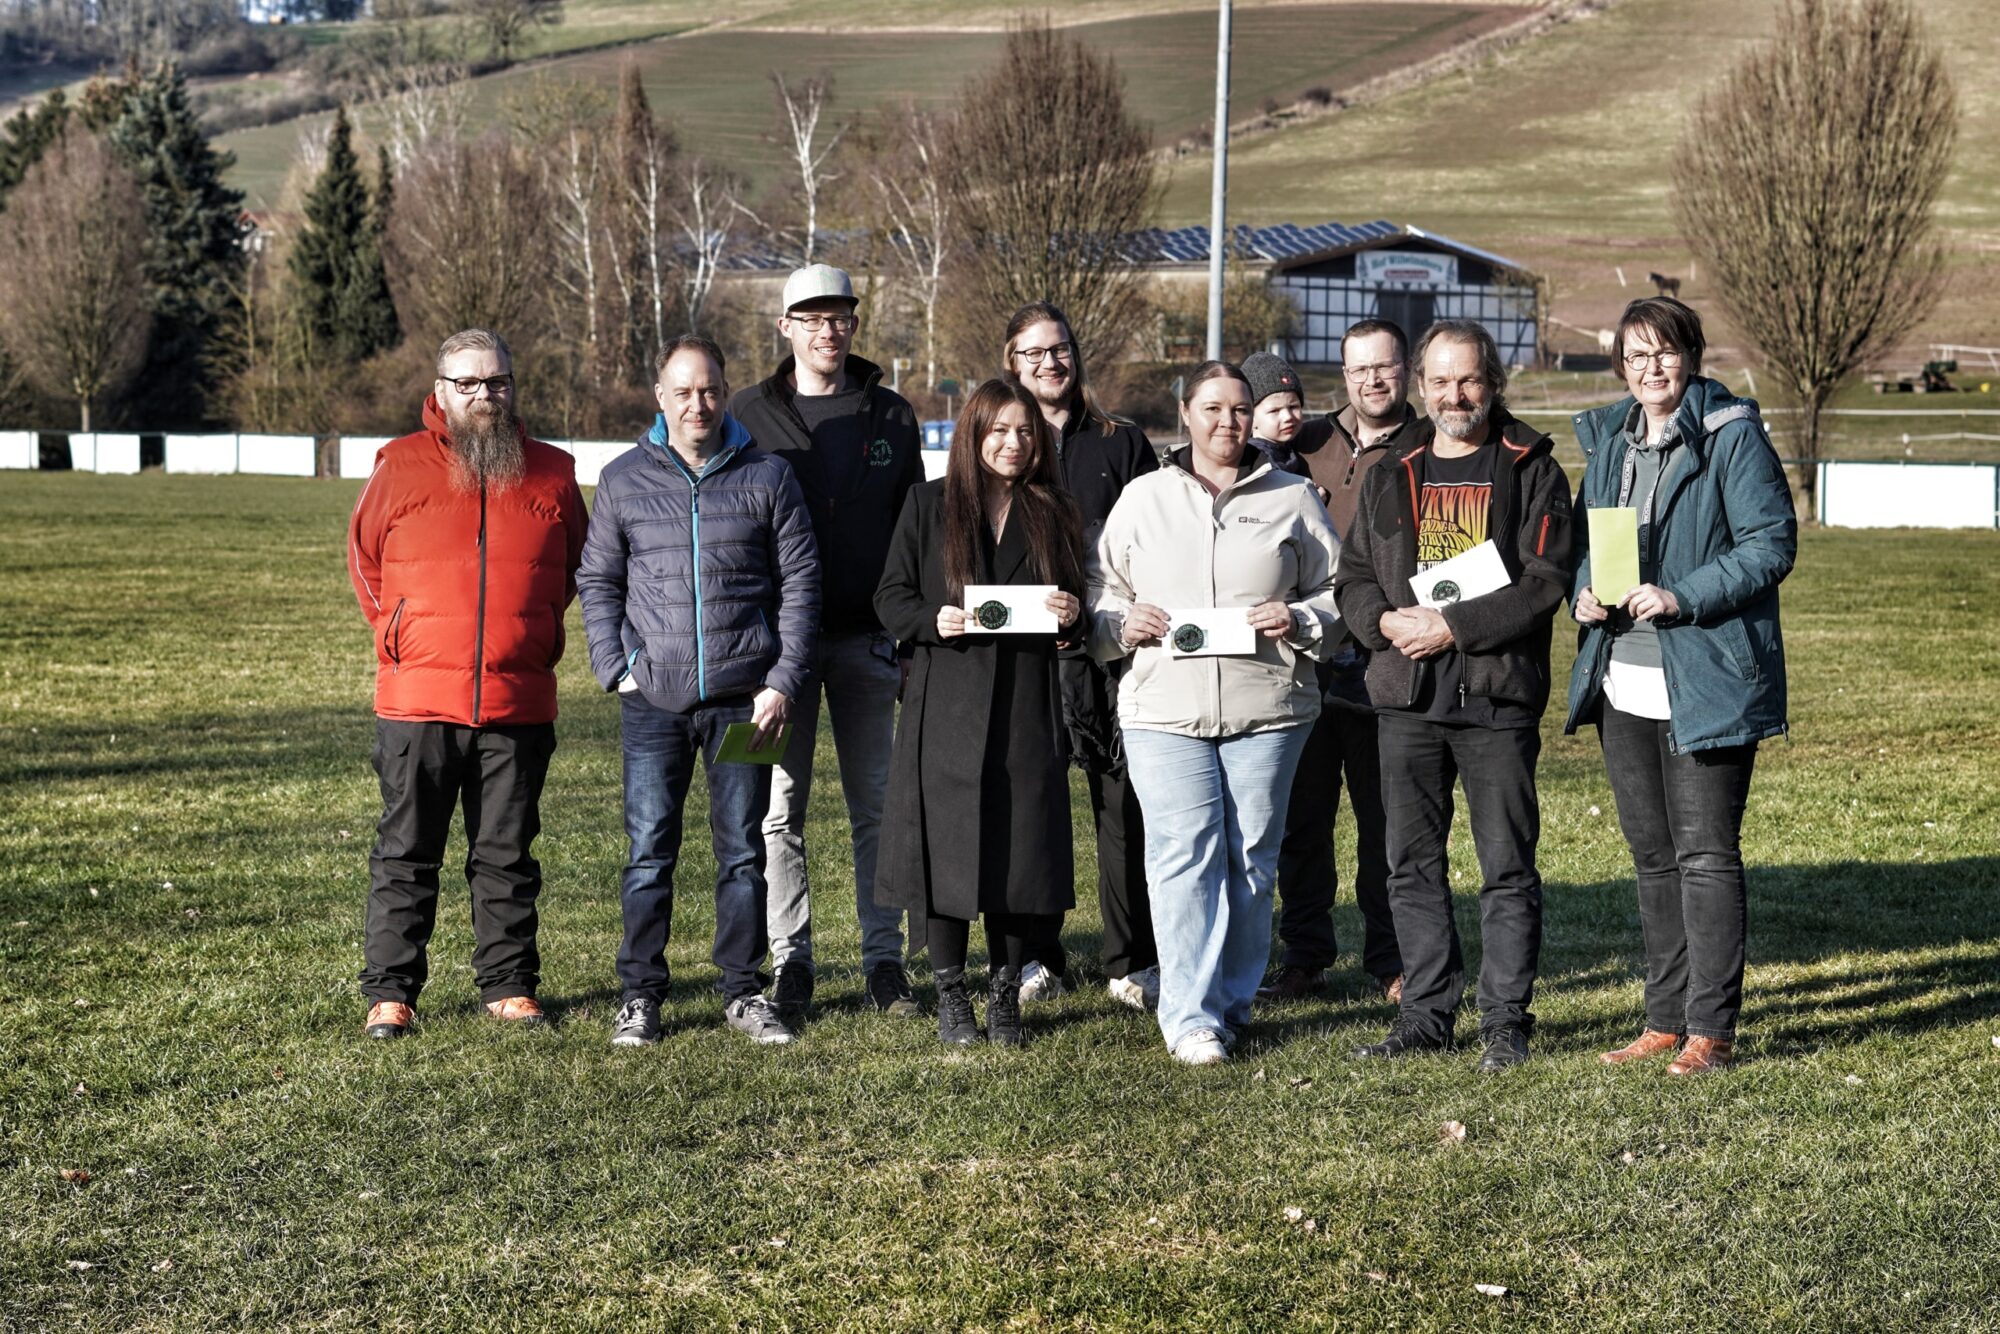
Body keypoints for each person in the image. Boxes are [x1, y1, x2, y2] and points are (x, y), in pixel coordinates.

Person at [1564, 297, 1795, 1076]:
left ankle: (1712, 1030)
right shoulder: (1611, 440)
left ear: (1691, 355)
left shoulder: (1732, 436)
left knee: (1704, 855)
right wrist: (1587, 594)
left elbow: (1770, 543)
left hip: (1706, 676)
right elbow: (1591, 544)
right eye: (1634, 356)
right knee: (1653, 856)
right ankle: (1664, 1019)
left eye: (1663, 352)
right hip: (1623, 676)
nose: (1649, 368)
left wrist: (1681, 595)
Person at [1335, 319, 1573, 1073]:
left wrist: (1454, 627)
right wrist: (1381, 621)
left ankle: (1505, 1021)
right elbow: (1353, 575)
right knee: (1410, 865)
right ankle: (1426, 1015)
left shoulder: (1531, 466)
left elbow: (1545, 583)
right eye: (1439, 381)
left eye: (1467, 379)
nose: (1453, 395)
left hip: (1495, 698)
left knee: (1506, 866)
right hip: (1405, 698)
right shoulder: (1391, 467)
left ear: (1492, 381)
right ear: (1422, 387)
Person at [1088, 362, 1342, 1066]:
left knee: (1252, 860)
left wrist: (1298, 616)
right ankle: (1191, 1017)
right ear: (1184, 414)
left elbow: (1338, 594)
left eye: (1238, 410)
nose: (1226, 422)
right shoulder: (1144, 498)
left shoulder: (1292, 497)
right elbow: (1100, 593)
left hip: (1271, 708)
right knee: (1182, 857)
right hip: (1162, 708)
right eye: (1211, 408)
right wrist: (1120, 622)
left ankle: (1233, 999)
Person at [579, 336, 821, 1048]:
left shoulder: (769, 477)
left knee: (743, 851)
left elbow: (802, 586)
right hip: (652, 701)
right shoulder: (624, 480)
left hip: (744, 702)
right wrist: (618, 666)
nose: (698, 404)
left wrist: (780, 681)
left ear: (726, 393)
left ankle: (743, 992)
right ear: (660, 397)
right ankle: (640, 997)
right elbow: (598, 581)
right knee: (650, 851)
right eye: (683, 392)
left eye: (710, 390)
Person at [347, 328, 587, 1039]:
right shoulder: (399, 465)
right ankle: (391, 993)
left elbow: (573, 567)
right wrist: (401, 636)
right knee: (405, 853)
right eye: (470, 383)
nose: (486, 395)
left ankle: (509, 985)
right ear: (442, 390)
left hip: (517, 700)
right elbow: (365, 561)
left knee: (508, 853)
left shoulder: (551, 471)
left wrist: (532, 630)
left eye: (499, 382)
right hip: (417, 702)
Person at [730, 264, 926, 1023]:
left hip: (869, 643)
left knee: (879, 808)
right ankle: (790, 962)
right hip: (767, 657)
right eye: (810, 318)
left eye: (839, 316)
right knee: (771, 810)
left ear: (853, 323)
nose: (826, 330)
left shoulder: (894, 415)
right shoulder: (746, 411)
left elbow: (916, 533)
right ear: (785, 327)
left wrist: (911, 638)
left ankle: (885, 963)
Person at [874, 379, 1087, 1047]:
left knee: (1018, 853)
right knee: (946, 851)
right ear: (973, 434)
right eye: (998, 429)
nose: (1013, 443)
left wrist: (1072, 615)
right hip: (946, 703)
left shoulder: (1054, 511)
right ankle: (951, 997)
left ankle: (1004, 996)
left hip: (1027, 702)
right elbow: (889, 596)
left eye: (1024, 432)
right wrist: (927, 621)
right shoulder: (926, 504)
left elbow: (1077, 605)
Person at [1000, 300, 1161, 1011]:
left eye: (1058, 349)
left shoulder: (1120, 441)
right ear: (1012, 362)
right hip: (1027, 654)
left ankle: (1131, 958)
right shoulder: (1002, 441)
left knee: (1123, 806)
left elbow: (1157, 541)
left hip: (1112, 649)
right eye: (1033, 354)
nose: (1050, 363)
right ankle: (1037, 955)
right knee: (1032, 806)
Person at [1240, 340, 1406, 1005]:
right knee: (1302, 825)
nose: (1371, 378)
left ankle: (1392, 958)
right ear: (1345, 376)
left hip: (1380, 670)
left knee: (1384, 824)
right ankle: (1304, 955)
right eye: (1359, 367)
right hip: (1304, 672)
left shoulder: (1421, 447)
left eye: (1384, 366)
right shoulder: (1308, 442)